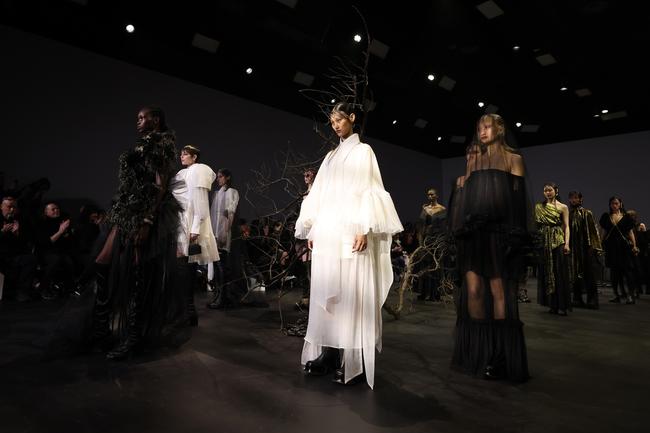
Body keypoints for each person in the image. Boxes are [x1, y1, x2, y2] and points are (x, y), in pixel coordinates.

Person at [295, 102, 403, 388]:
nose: (336, 125)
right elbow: (319, 194)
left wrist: (364, 227)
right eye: (332, 121)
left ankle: (350, 359)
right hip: (329, 232)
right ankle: (328, 353)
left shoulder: (363, 151)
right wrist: (312, 226)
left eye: (340, 119)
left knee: (350, 295)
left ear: (352, 118)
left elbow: (369, 190)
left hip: (350, 231)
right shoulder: (330, 157)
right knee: (327, 294)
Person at [89, 106, 185, 359]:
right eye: (137, 118)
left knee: (138, 274)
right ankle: (101, 332)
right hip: (126, 210)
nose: (138, 121)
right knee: (103, 262)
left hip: (146, 213)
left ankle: (133, 338)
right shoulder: (141, 146)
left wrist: (146, 220)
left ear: (156, 119)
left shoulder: (162, 144)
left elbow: (160, 185)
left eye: (143, 117)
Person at [449, 113, 530, 382]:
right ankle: (479, 351)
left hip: (500, 233)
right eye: (479, 127)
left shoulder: (513, 159)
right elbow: (466, 196)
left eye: (487, 126)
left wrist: (515, 237)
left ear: (500, 128)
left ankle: (500, 357)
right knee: (473, 289)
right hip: (474, 233)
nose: (482, 131)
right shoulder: (473, 158)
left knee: (499, 291)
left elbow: (519, 202)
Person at [172, 145, 219, 326]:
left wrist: (195, 228)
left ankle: (188, 311)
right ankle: (185, 310)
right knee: (182, 264)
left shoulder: (199, 170)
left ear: (194, 156)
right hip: (182, 221)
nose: (181, 156)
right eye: (181, 153)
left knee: (186, 264)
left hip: (190, 223)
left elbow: (200, 202)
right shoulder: (184, 173)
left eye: (185, 154)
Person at [535, 183, 571, 316]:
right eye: (545, 190)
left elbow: (566, 226)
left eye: (550, 190)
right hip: (544, 241)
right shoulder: (539, 207)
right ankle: (552, 305)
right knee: (547, 272)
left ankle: (562, 305)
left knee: (559, 272)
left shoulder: (563, 207)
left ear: (556, 191)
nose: (547, 192)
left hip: (558, 241)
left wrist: (567, 244)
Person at [208, 168, 240, 308]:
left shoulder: (232, 192)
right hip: (214, 232)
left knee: (222, 266)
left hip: (222, 233)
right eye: (218, 177)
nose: (218, 179)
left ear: (227, 177)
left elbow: (229, 215)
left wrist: (224, 233)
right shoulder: (217, 194)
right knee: (216, 265)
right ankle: (218, 296)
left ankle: (223, 298)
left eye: (220, 176)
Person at [599, 196, 638, 304]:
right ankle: (617, 295)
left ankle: (630, 295)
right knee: (614, 273)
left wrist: (634, 245)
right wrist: (600, 244)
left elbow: (630, 232)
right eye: (612, 203)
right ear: (610, 205)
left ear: (620, 204)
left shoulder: (626, 217)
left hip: (624, 247)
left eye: (616, 203)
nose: (614, 205)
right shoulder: (606, 216)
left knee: (627, 271)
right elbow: (604, 232)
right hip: (611, 247)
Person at [567, 191, 602, 309]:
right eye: (571, 198)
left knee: (589, 274)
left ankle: (592, 300)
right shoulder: (569, 214)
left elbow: (593, 231)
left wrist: (593, 247)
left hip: (586, 248)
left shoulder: (587, 213)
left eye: (576, 198)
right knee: (575, 274)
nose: (573, 200)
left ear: (581, 199)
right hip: (573, 248)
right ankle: (577, 298)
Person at [415, 188, 447, 301]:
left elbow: (444, 228)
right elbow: (420, 226)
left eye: (432, 194)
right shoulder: (425, 209)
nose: (430, 197)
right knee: (424, 266)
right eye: (428, 195)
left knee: (435, 266)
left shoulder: (442, 209)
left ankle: (435, 293)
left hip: (437, 241)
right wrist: (420, 244)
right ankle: (424, 293)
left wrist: (442, 243)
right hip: (426, 240)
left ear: (436, 195)